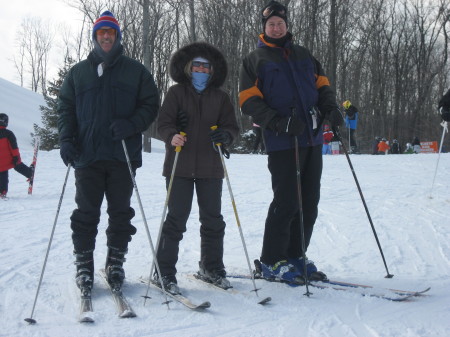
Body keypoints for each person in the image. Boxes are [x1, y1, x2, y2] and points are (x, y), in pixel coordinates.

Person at [239, 1, 343, 283]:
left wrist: (331, 109)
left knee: (309, 201)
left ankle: (296, 254)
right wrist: (277, 121)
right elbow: (248, 101)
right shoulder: (255, 60)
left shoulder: (304, 54)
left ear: (287, 26)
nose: (276, 27)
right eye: (271, 24)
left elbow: (323, 86)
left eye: (280, 23)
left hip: (311, 138)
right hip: (282, 140)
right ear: (264, 28)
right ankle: (272, 260)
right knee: (286, 201)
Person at [57, 11, 159, 293]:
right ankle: (84, 267)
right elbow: (65, 108)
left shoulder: (135, 71)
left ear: (117, 37)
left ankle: (115, 263)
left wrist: (132, 124)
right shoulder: (78, 73)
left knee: (120, 213)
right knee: (86, 214)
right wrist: (66, 138)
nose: (106, 37)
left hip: (121, 156)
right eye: (101, 33)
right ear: (95, 37)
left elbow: (151, 105)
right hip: (86, 156)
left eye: (111, 33)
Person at [156, 42, 239, 294]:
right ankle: (164, 272)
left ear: (213, 71)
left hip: (211, 167)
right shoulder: (176, 93)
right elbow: (163, 124)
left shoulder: (221, 97)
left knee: (213, 220)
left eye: (206, 67)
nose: (201, 70)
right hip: (179, 165)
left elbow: (233, 128)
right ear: (188, 68)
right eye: (197, 66)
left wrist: (225, 136)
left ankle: (211, 267)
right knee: (176, 220)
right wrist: (172, 135)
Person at [0, 113, 34, 199]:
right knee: (17, 165)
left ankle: (3, 191)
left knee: (2, 173)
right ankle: (29, 173)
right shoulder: (8, 134)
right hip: (8, 159)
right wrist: (17, 158)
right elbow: (13, 148)